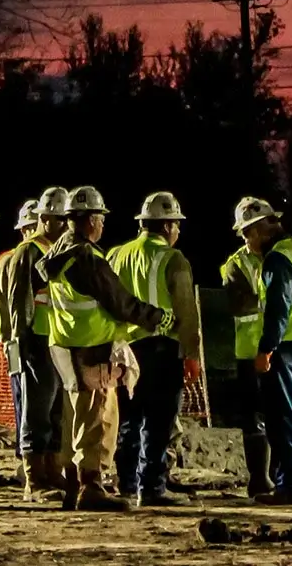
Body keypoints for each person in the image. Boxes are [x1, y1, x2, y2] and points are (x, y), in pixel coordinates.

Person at [38, 186, 164, 511]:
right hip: (92, 350)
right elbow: (120, 302)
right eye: (101, 218)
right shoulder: (87, 259)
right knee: (98, 420)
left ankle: (72, 485)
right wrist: (158, 318)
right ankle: (91, 487)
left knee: (73, 419)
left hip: (65, 348)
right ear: (91, 219)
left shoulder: (56, 257)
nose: (103, 225)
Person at [109, 191, 204, 507]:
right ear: (167, 226)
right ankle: (151, 487)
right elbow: (186, 314)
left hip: (123, 349)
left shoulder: (116, 255)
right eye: (176, 224)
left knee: (129, 418)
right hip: (162, 349)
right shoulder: (173, 259)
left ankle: (126, 482)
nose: (177, 230)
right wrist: (191, 354)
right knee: (158, 420)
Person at [240, 198, 292, 506]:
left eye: (247, 235)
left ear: (260, 230)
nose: (247, 243)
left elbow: (278, 308)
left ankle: (290, 485)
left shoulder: (277, 260)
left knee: (283, 416)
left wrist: (266, 349)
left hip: (286, 345)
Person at [0, 188, 72, 502]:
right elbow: (18, 302)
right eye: (61, 219)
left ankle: (52, 470)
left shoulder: (54, 249)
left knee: (52, 412)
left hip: (53, 339)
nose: (66, 225)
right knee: (35, 410)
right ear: (45, 218)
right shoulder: (29, 252)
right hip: (35, 341)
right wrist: (19, 342)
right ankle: (34, 479)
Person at [220, 200, 275, 500]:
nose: (271, 231)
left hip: (274, 347)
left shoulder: (277, 257)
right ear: (249, 232)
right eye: (265, 226)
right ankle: (259, 479)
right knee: (255, 417)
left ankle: (276, 477)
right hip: (251, 352)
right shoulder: (235, 265)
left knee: (278, 414)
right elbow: (241, 304)